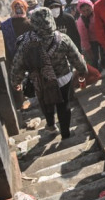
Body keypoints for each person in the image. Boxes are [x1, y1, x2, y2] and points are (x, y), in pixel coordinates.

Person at [10, 7, 88, 139]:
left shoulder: (26, 42)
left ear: (33, 23)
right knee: (64, 105)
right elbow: (76, 58)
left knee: (46, 103)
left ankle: (51, 126)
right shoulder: (63, 38)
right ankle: (66, 133)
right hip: (63, 78)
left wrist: (16, 81)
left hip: (41, 80)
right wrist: (82, 71)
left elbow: (18, 64)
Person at [0, 0, 33, 107]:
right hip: (29, 56)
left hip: (13, 57)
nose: (18, 9)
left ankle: (21, 102)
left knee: (18, 80)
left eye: (20, 7)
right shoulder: (29, 23)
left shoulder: (5, 26)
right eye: (17, 7)